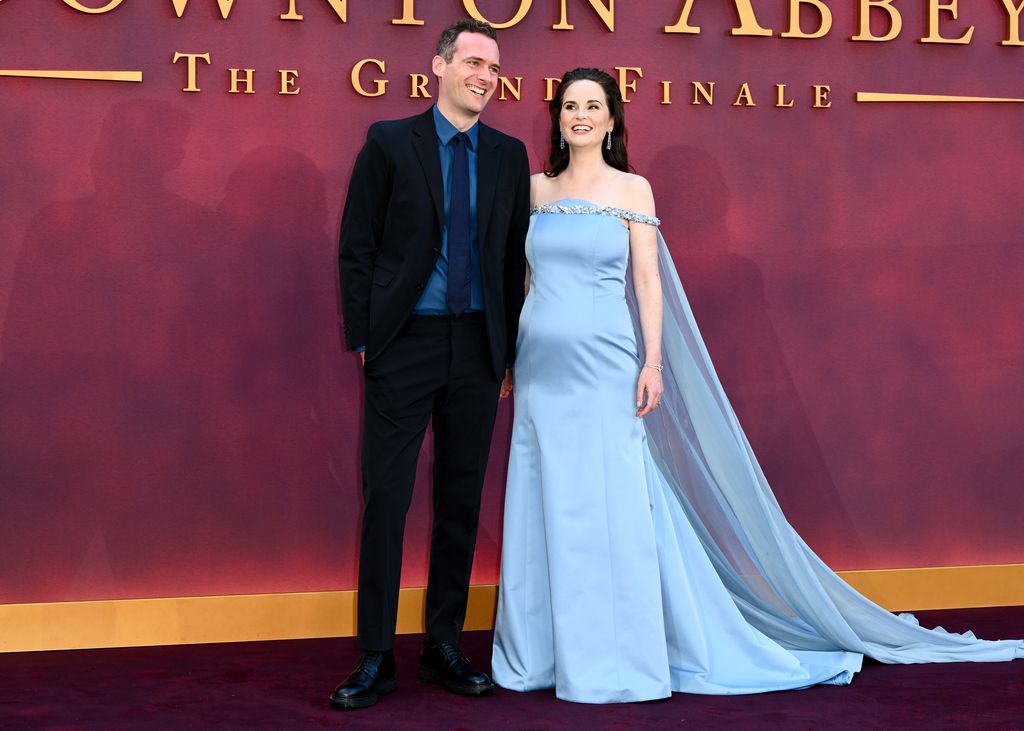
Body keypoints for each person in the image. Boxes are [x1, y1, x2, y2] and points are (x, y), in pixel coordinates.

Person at [491, 68, 1023, 704]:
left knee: (609, 508)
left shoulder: (633, 189)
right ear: (557, 118)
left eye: (593, 106)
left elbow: (649, 284)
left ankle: (613, 657)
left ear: (611, 120)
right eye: (570, 105)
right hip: (541, 371)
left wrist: (652, 363)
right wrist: (511, 360)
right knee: (544, 501)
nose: (579, 115)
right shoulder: (534, 191)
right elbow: (525, 280)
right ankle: (542, 655)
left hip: (607, 367)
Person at [333, 19, 529, 709]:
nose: (485, 75)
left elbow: (511, 259)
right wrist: (367, 338)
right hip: (404, 343)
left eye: (494, 66)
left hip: (478, 346)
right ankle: (376, 656)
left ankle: (443, 643)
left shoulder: (508, 154)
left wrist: (506, 351)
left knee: (461, 500)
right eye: (474, 60)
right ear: (440, 65)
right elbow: (357, 245)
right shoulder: (389, 142)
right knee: (387, 497)